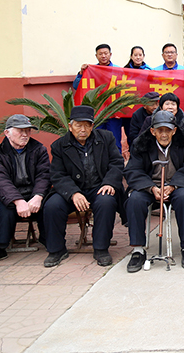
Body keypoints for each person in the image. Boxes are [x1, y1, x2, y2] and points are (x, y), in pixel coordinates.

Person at [43, 105, 123, 268]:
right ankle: (56, 250)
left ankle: (101, 249)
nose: (83, 129)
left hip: (99, 186)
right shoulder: (59, 146)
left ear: (92, 126)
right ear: (70, 126)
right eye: (78, 125)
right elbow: (57, 174)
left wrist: (109, 182)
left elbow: (116, 163)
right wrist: (73, 193)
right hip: (72, 189)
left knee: (106, 202)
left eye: (87, 125)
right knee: (52, 205)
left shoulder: (106, 138)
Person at [124, 110, 184, 272]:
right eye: (160, 130)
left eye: (168, 130)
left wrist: (174, 185)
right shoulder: (141, 143)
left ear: (174, 130)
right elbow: (133, 170)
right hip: (150, 186)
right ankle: (138, 249)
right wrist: (151, 187)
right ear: (153, 131)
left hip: (177, 184)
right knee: (135, 199)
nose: (164, 134)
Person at [0, 114, 51, 269]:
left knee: (50, 205)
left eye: (28, 130)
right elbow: (1, 182)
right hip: (9, 195)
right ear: (7, 133)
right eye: (20, 131)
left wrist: (38, 196)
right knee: (3, 209)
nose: (25, 135)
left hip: (34, 192)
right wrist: (18, 201)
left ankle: (49, 241)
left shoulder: (39, 149)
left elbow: (44, 175)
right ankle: (0, 248)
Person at [72, 44, 122, 146]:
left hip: (113, 112)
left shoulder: (119, 70)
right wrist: (81, 73)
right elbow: (77, 86)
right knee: (96, 141)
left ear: (110, 54)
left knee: (115, 141)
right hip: (97, 112)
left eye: (105, 53)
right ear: (96, 56)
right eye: (100, 54)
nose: (103, 56)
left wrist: (120, 111)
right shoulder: (91, 70)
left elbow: (126, 91)